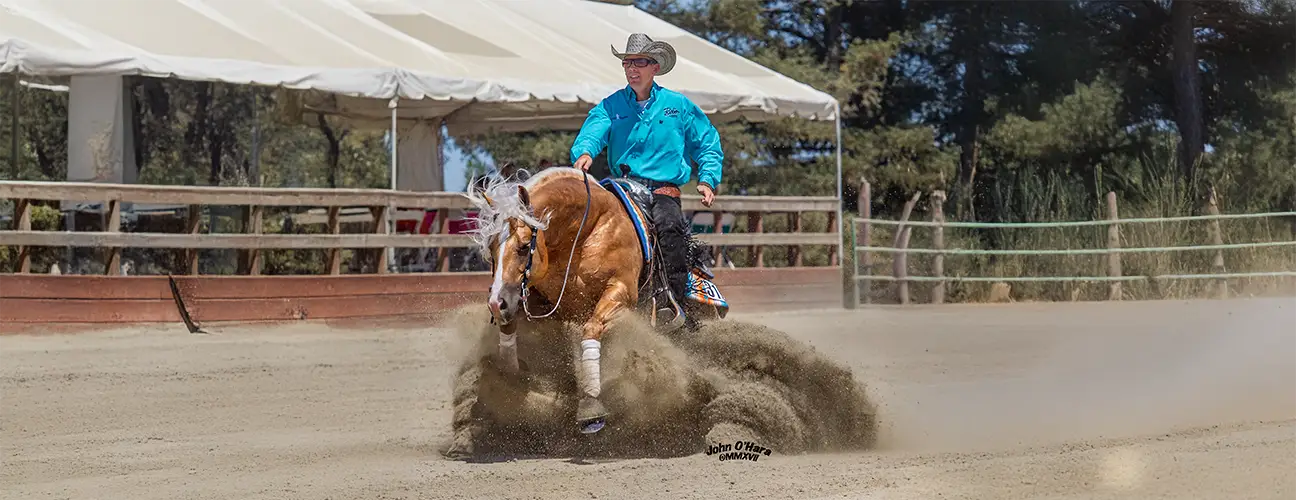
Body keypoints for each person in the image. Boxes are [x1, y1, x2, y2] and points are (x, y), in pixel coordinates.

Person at [569, 33, 724, 328]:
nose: (632, 69)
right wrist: (585, 151)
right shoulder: (611, 105)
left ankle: (674, 304)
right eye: (627, 63)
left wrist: (707, 178)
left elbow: (707, 143)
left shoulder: (678, 105)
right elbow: (592, 130)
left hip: (663, 190)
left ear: (655, 67)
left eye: (639, 62)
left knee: (669, 228)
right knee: (592, 224)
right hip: (622, 186)